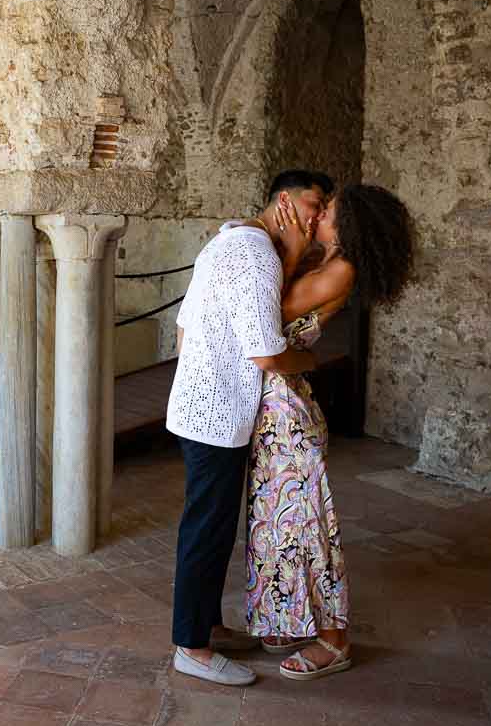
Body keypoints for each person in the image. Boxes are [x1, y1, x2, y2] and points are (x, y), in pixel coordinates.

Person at [166, 170, 332, 686]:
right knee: (207, 530)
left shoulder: (232, 240)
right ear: (284, 201)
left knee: (210, 527)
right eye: (313, 203)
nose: (317, 215)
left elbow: (182, 328)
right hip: (217, 412)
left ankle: (206, 626)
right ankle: (190, 647)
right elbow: (266, 352)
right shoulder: (255, 252)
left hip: (202, 406)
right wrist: (310, 360)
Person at [245, 182, 415, 680]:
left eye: (328, 214)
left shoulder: (339, 269)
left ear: (349, 227)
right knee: (276, 525)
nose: (317, 218)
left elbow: (268, 304)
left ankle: (335, 640)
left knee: (306, 526)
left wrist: (294, 245)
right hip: (275, 407)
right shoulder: (327, 262)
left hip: (288, 415)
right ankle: (288, 615)